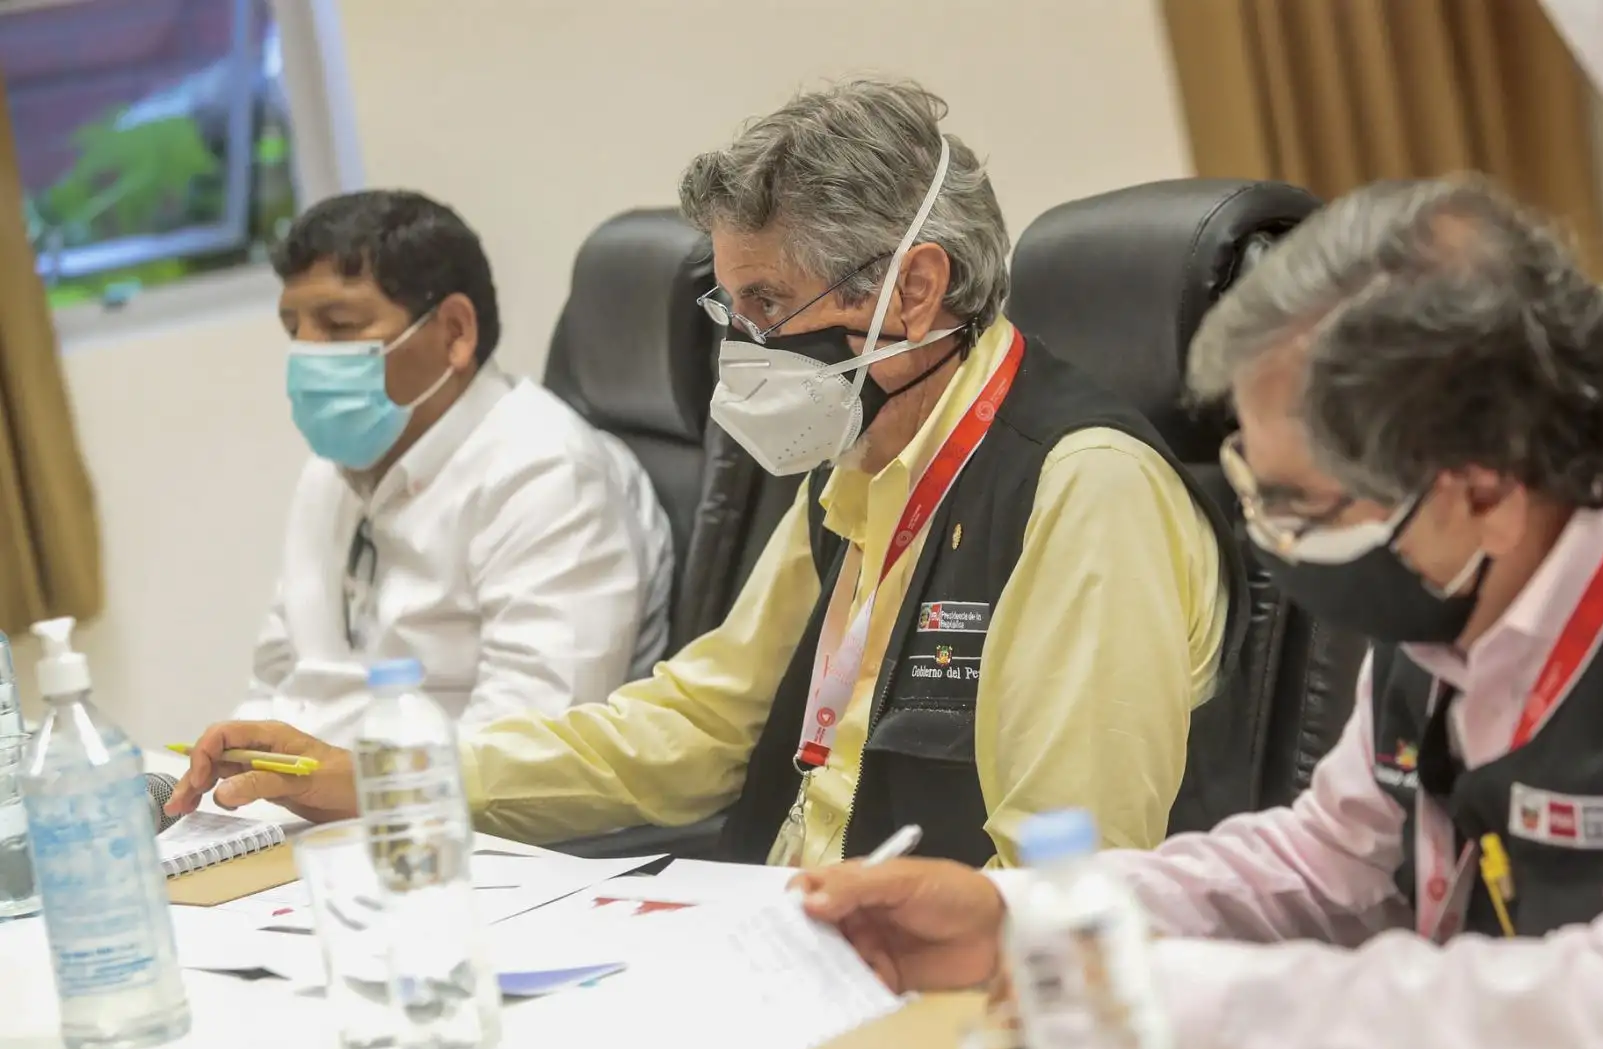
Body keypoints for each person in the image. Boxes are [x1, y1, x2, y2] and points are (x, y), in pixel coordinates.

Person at [796, 176, 1603, 1049]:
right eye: (1254, 488)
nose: (1272, 542)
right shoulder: (1458, 568)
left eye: (1303, 509)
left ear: (1483, 486)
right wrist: (1038, 920)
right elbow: (1327, 860)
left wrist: (1177, 993)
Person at [168, 80, 1242, 867]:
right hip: (779, 936)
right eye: (735, 310)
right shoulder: (862, 465)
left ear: (914, 291)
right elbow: (698, 727)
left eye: (769, 305)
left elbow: (1068, 874)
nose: (749, 346)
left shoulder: (1081, 489)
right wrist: (391, 780)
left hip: (929, 1001)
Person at [239, 190, 674, 742]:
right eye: (294, 329)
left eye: (340, 325)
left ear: (454, 333)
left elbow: (524, 750)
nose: (307, 354)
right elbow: (281, 683)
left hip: (458, 811)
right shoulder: (330, 474)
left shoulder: (544, 473)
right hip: (336, 803)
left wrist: (335, 792)